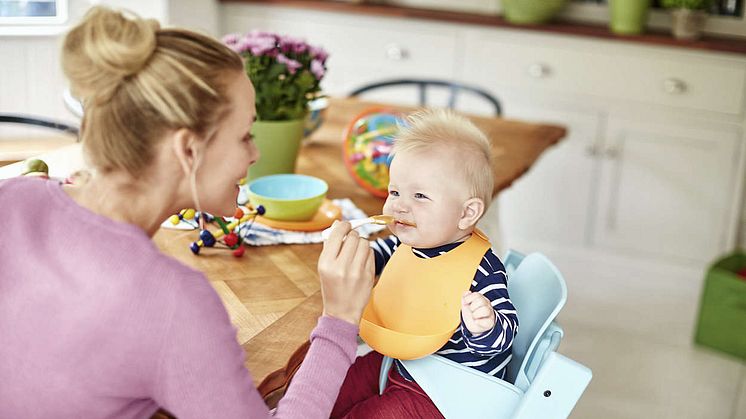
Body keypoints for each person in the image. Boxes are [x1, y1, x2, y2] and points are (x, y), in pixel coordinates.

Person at [0, 7, 374, 418]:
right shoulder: (173, 301)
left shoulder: (13, 197)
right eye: (244, 135)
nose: (255, 153)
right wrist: (339, 318)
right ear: (188, 148)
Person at [331, 110, 519, 418]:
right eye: (394, 191)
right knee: (332, 385)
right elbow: (377, 255)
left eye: (419, 195)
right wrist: (354, 253)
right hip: (403, 362)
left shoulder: (481, 269)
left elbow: (503, 337)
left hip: (447, 393)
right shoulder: (407, 242)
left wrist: (486, 325)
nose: (399, 204)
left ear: (466, 214)